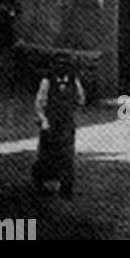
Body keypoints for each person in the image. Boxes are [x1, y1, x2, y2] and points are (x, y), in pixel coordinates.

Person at [33, 54, 86, 198]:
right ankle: (40, 186)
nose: (62, 69)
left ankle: (66, 188)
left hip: (66, 123)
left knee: (67, 155)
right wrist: (43, 120)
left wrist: (70, 112)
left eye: (66, 65)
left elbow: (81, 99)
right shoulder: (47, 81)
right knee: (46, 154)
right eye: (59, 65)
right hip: (50, 122)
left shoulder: (74, 81)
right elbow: (39, 102)